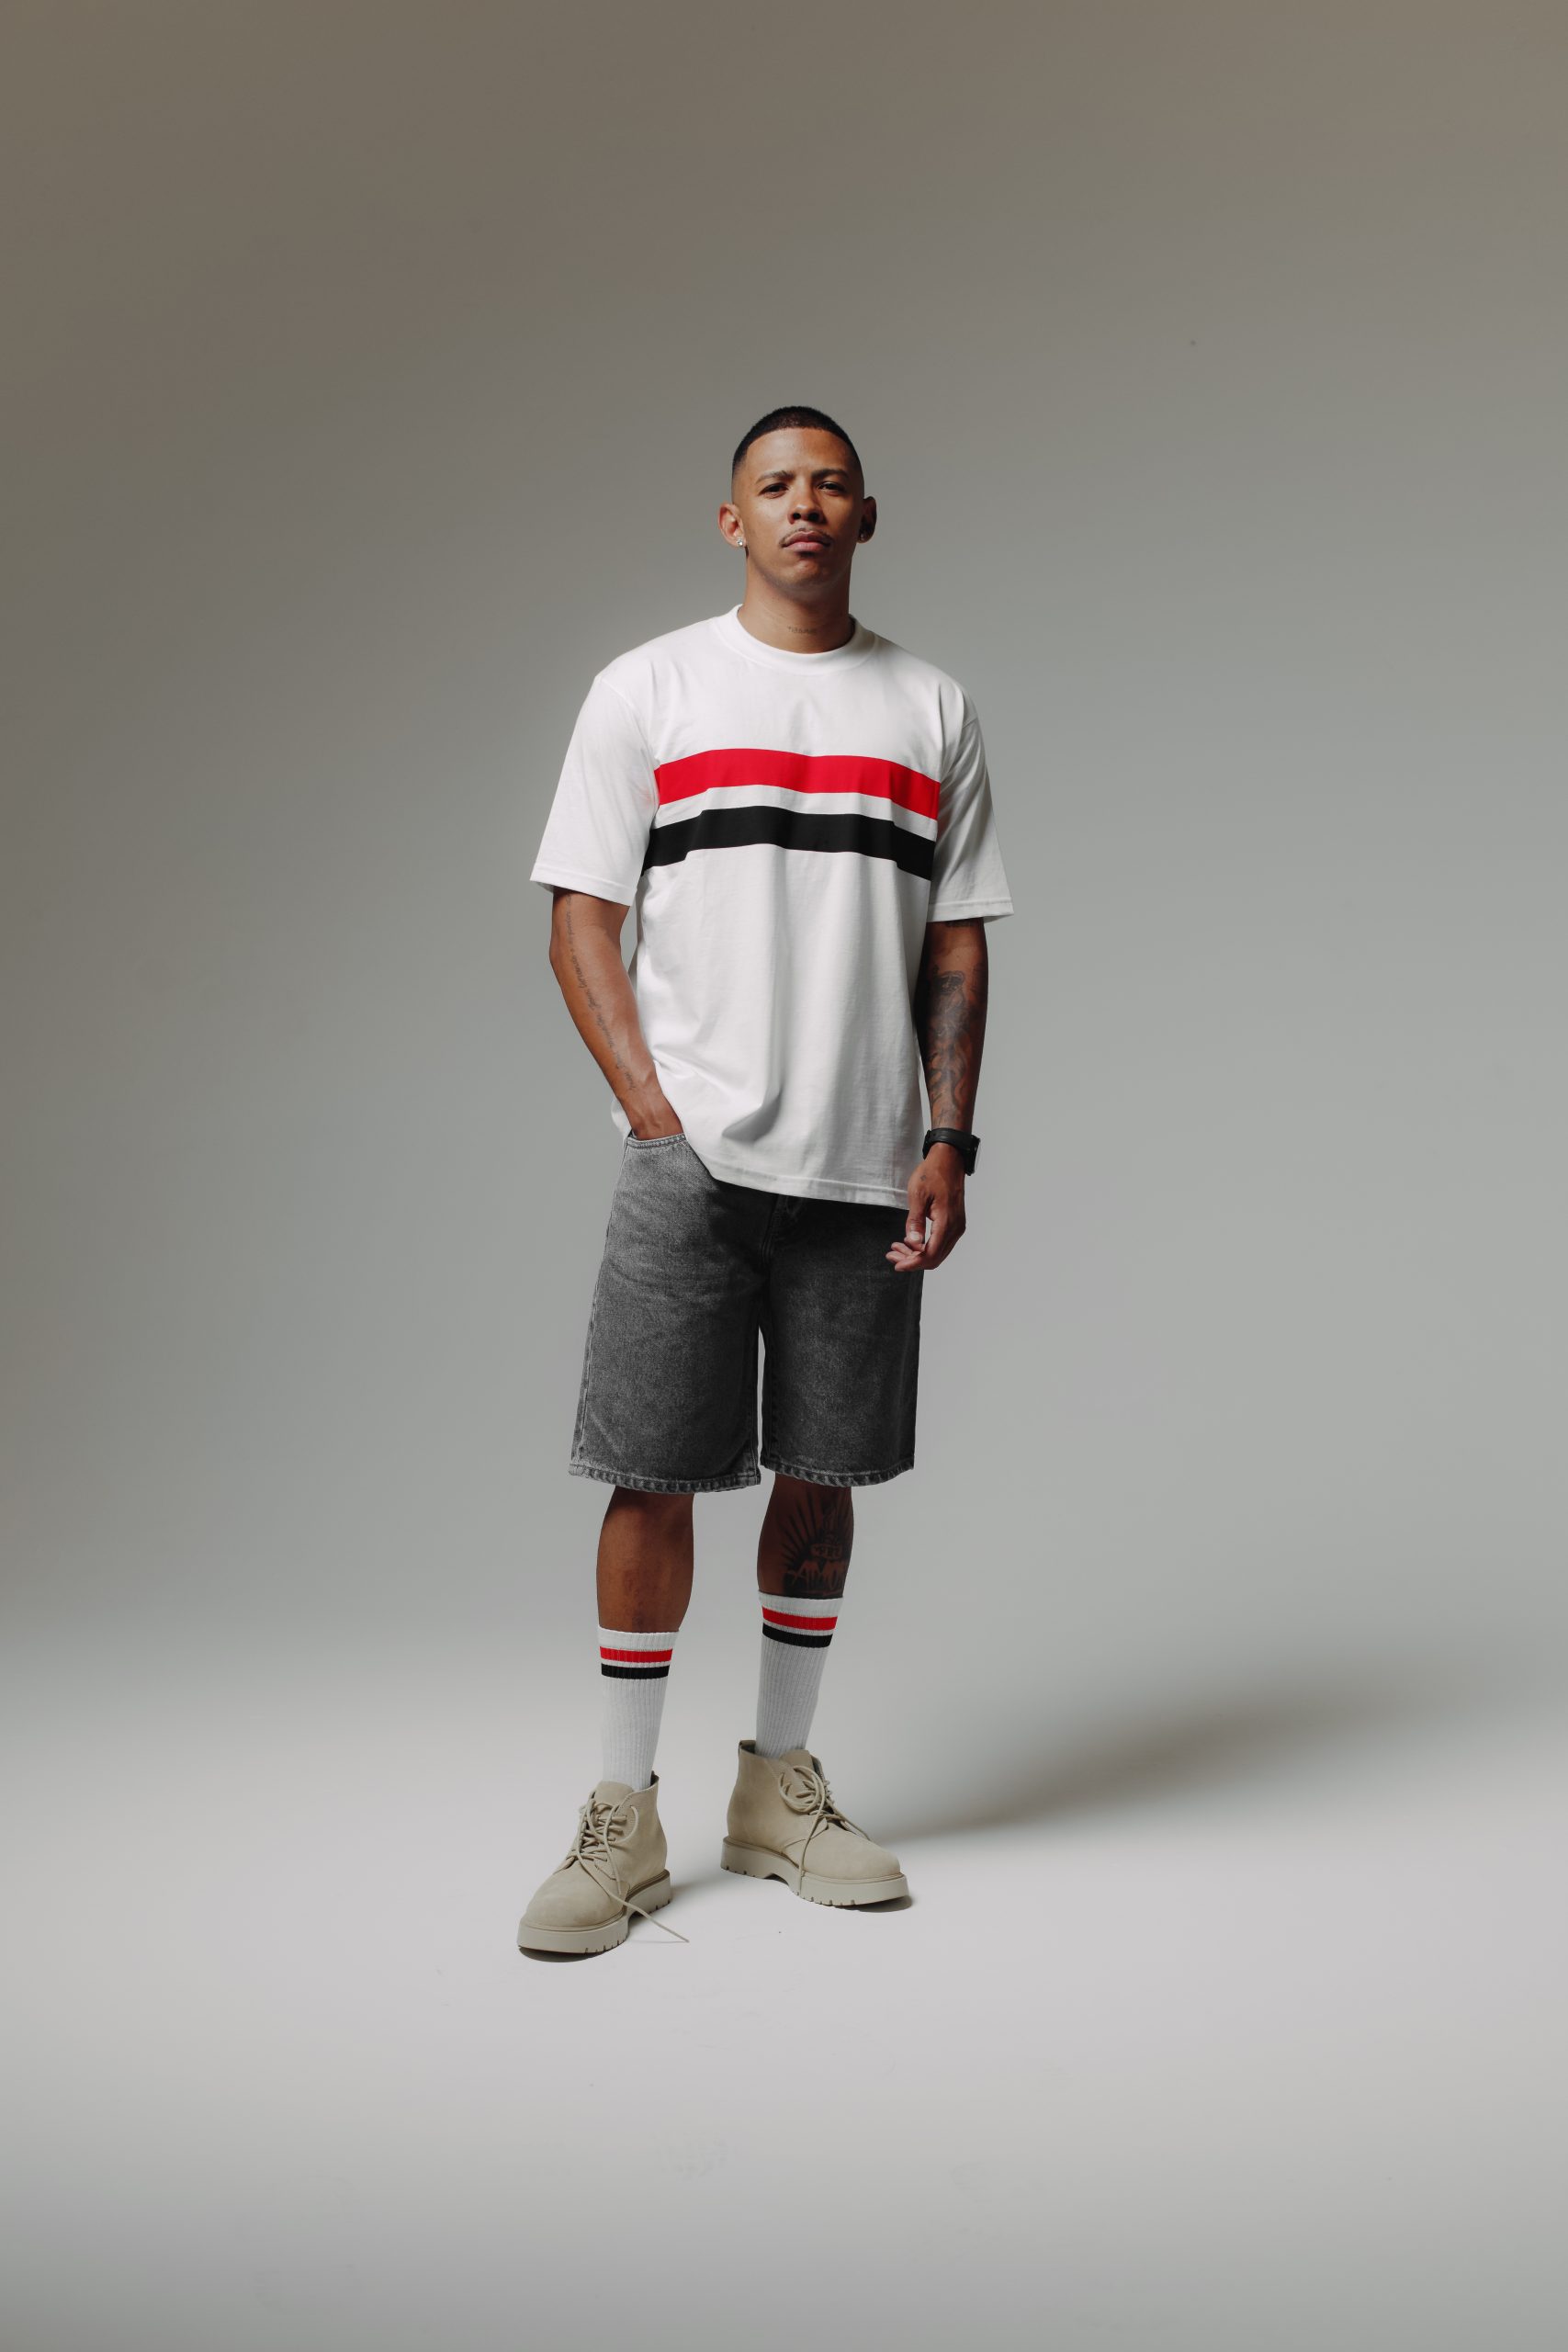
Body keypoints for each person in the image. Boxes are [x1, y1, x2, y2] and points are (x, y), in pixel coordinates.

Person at [516, 404, 1013, 1956]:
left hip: (865, 1167)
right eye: (776, 486)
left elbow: (956, 942)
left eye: (832, 485)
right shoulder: (651, 688)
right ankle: (622, 1811)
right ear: (732, 520)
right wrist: (654, 1115)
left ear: (867, 516)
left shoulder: (930, 707)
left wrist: (947, 1137)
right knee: (650, 1474)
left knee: (823, 1473)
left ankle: (775, 1790)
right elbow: (580, 915)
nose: (806, 505)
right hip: (694, 1162)